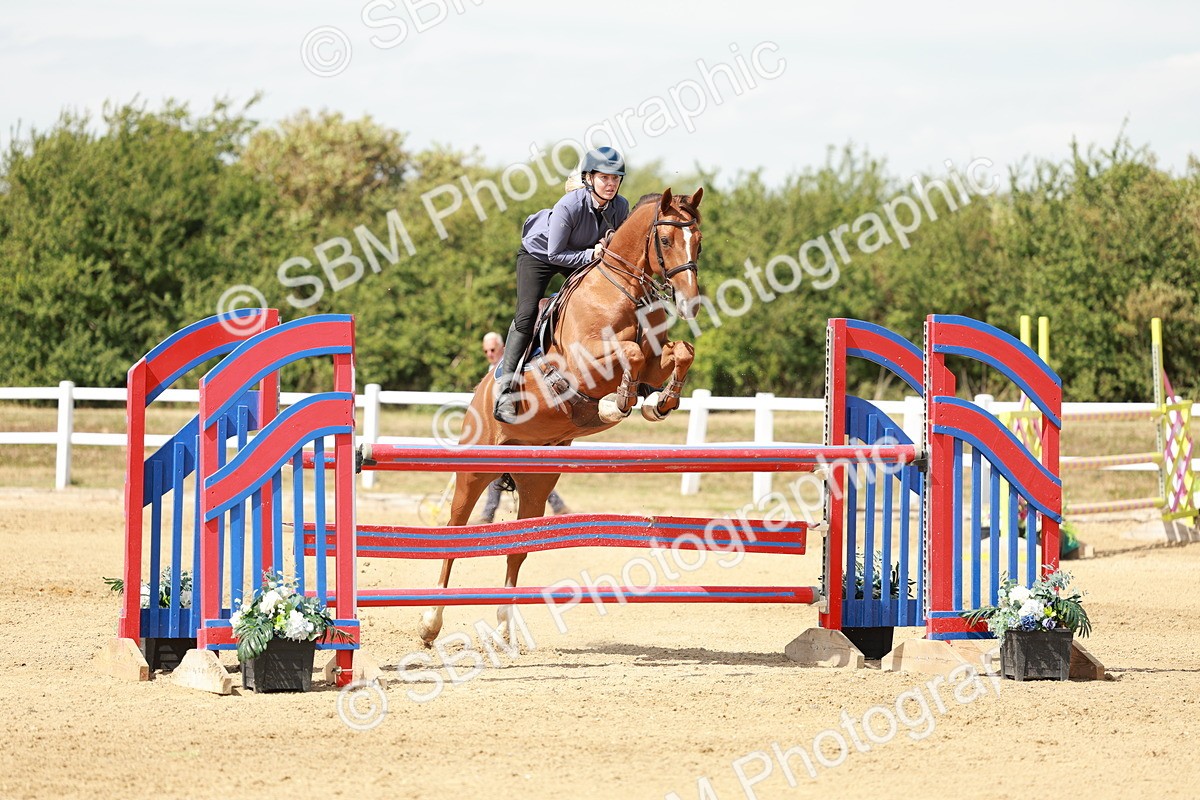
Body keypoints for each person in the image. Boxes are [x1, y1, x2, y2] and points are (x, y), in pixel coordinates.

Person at [493, 146, 631, 423]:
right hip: (540, 255)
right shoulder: (569, 205)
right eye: (604, 178)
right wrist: (591, 254)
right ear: (589, 178)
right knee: (527, 313)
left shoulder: (621, 206)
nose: (611, 184)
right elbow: (555, 254)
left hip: (581, 255)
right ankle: (506, 391)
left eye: (615, 178)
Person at [477, 331, 570, 521]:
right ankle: (557, 505)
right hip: (502, 427)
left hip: (522, 424)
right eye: (486, 351)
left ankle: (488, 513)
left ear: (502, 348)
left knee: (524, 473)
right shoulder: (492, 369)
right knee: (518, 472)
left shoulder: (515, 365)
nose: (489, 354)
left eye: (492, 349)